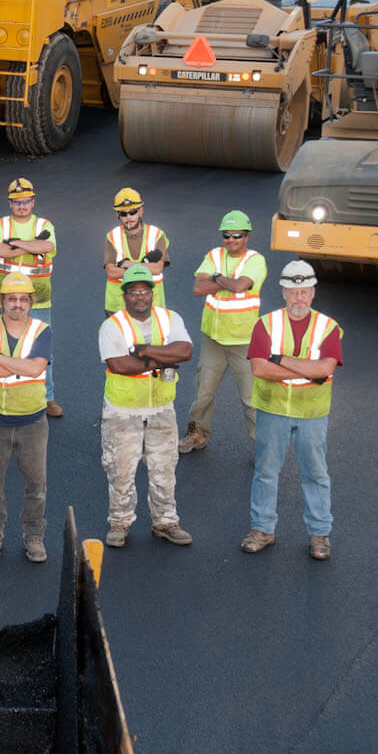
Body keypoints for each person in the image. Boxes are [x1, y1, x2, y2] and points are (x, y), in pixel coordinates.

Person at [242, 261, 344, 560]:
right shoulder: (265, 324)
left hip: (312, 414)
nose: (299, 298)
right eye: (293, 292)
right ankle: (262, 529)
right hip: (273, 410)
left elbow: (325, 369)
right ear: (284, 293)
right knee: (266, 472)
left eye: (304, 292)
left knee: (316, 474)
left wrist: (281, 358)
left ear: (313, 293)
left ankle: (319, 535)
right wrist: (308, 372)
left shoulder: (329, 327)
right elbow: (260, 368)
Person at [98, 265, 193, 549]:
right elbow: (119, 364)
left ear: (152, 292)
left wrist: (148, 350)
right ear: (124, 295)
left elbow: (185, 351)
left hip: (162, 409)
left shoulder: (170, 318)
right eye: (133, 292)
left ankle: (165, 521)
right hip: (122, 411)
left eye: (145, 291)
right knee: (121, 470)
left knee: (164, 470)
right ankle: (120, 522)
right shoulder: (112, 325)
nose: (140, 297)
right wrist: (163, 359)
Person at [0, 274, 51, 562]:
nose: (17, 305)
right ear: (2, 301)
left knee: (36, 486)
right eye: (11, 299)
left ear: (31, 303)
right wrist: (20, 365)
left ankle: (34, 536)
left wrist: (0, 359)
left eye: (22, 299)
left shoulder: (42, 330)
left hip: (32, 422)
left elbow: (35, 369)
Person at [179, 210, 266, 453]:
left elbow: (240, 286)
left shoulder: (255, 261)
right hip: (213, 340)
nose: (231, 240)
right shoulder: (214, 255)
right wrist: (225, 281)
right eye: (226, 235)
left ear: (246, 236)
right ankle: (198, 433)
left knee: (251, 400)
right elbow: (198, 288)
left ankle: (263, 448)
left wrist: (215, 279)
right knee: (203, 393)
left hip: (244, 342)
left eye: (236, 235)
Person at [0, 177, 62, 417]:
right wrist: (30, 245)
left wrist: (15, 244)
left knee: (40, 350)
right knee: (4, 348)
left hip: (38, 298)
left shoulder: (45, 224)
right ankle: (3, 394)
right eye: (17, 202)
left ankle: (47, 397)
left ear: (33, 201)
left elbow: (47, 248)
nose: (22, 206)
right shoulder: (0, 224)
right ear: (10, 203)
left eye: (26, 201)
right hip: (5, 299)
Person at [102, 187, 169, 315]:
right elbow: (111, 272)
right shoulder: (112, 237)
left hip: (152, 306)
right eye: (123, 213)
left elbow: (157, 269)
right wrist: (143, 267)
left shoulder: (156, 234)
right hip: (119, 307)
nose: (128, 217)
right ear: (117, 215)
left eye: (132, 212)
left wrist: (130, 265)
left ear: (141, 211)